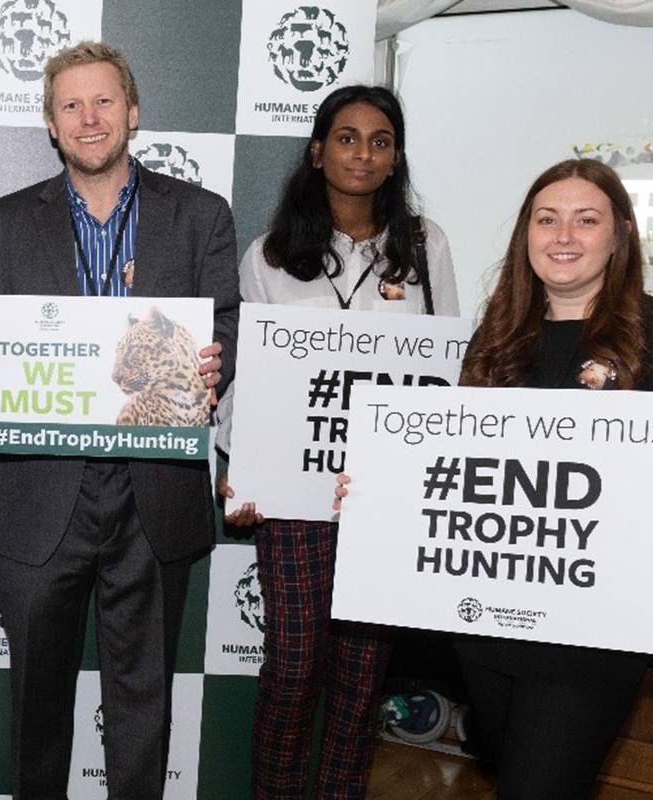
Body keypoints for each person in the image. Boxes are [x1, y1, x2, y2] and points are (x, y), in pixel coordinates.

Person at [334, 158, 653, 799]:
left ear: (619, 235)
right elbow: (458, 464)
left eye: (586, 221)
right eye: (547, 219)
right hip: (488, 629)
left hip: (598, 633)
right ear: (525, 235)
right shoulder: (497, 340)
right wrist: (382, 494)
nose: (564, 236)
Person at [0, 41, 236, 799]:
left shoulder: (200, 215)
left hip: (155, 495)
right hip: (40, 497)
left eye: (104, 101)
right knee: (35, 708)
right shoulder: (3, 222)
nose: (89, 118)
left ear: (133, 112)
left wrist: (216, 367)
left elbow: (227, 328)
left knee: (144, 707)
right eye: (71, 105)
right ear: (51, 124)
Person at [213, 84, 458, 800]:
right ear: (318, 152)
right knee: (292, 667)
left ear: (395, 159)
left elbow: (447, 365)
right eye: (347, 138)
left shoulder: (426, 245)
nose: (363, 153)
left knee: (360, 678)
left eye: (380, 141)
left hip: (388, 498)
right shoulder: (268, 255)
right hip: (294, 496)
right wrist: (244, 470)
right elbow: (245, 379)